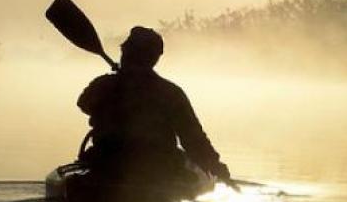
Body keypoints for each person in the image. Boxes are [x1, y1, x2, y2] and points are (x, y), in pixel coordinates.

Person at [76, 26, 231, 186]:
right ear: (154, 58)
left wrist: (117, 79)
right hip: (157, 170)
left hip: (108, 166)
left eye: (125, 50)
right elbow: (193, 138)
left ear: (127, 54)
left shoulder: (104, 85)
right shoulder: (171, 92)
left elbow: (83, 104)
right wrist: (217, 168)